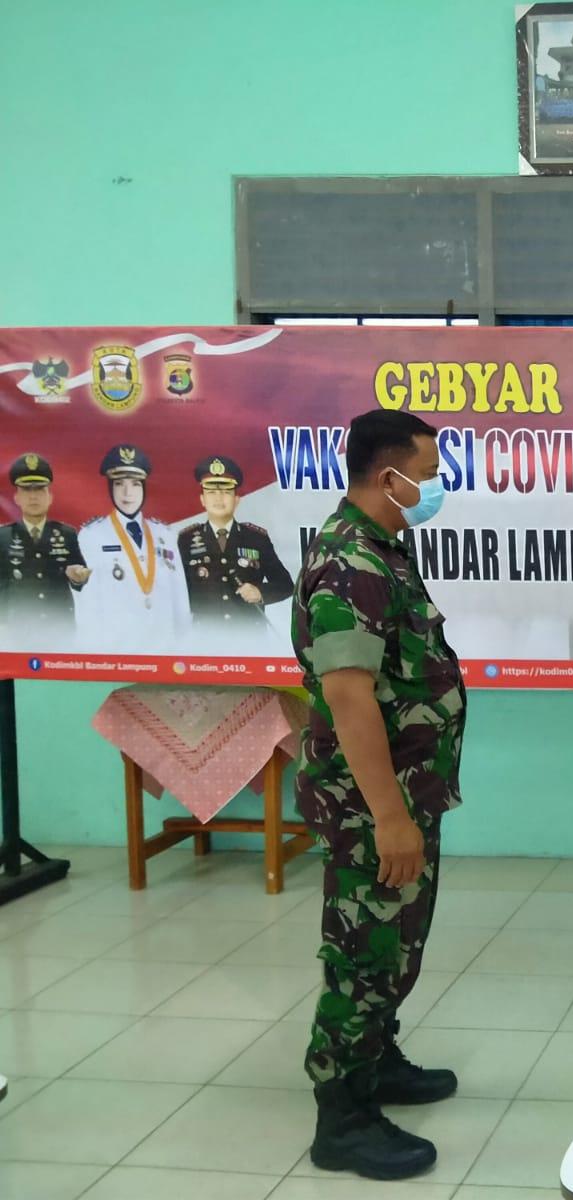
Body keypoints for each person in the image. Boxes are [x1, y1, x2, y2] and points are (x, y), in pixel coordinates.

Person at [293, 410, 466, 1180]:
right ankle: (343, 1115)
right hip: (372, 806)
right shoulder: (350, 564)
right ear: (384, 475)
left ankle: (377, 1058)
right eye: (425, 477)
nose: (431, 490)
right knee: (365, 956)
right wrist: (391, 817)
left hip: (403, 794)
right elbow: (349, 698)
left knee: (398, 946)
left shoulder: (383, 552)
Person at [74, 445, 191, 647]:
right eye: (119, 484)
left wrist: (185, 643)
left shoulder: (164, 533)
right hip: (118, 647)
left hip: (164, 645)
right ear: (110, 488)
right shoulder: (92, 535)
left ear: (144, 487)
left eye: (135, 484)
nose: (128, 493)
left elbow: (180, 595)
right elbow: (87, 605)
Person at [179, 455, 293, 632]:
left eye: (225, 492)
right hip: (204, 641)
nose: (219, 498)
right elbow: (176, 593)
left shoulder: (256, 538)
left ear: (236, 499)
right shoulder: (186, 540)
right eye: (211, 492)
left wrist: (260, 592)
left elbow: (285, 584)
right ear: (202, 499)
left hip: (250, 639)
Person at [0, 454, 89, 638]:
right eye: (26, 490)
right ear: (16, 497)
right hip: (16, 631)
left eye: (40, 490)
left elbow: (80, 576)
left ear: (50, 497)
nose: (33, 497)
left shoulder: (67, 534)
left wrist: (78, 578)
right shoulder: (3, 536)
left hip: (58, 629)